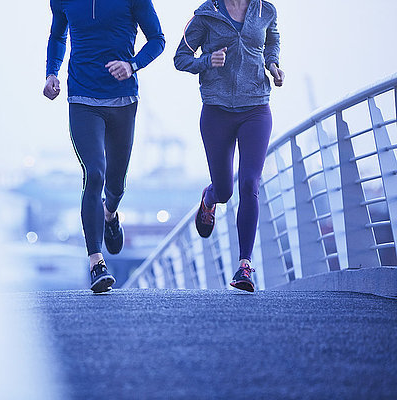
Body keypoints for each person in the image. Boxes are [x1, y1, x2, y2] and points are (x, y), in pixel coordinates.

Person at [44, 0, 165, 293]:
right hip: (83, 98)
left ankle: (110, 213)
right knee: (94, 172)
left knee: (116, 184)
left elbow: (157, 40)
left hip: (123, 100)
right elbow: (59, 35)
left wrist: (132, 65)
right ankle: (96, 263)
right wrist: (52, 73)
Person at [174, 0, 284, 292]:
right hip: (216, 111)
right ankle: (209, 199)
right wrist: (207, 61)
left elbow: (272, 40)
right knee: (225, 191)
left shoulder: (265, 11)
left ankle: (244, 266)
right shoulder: (205, 15)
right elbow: (181, 58)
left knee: (250, 183)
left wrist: (273, 64)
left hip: (256, 108)